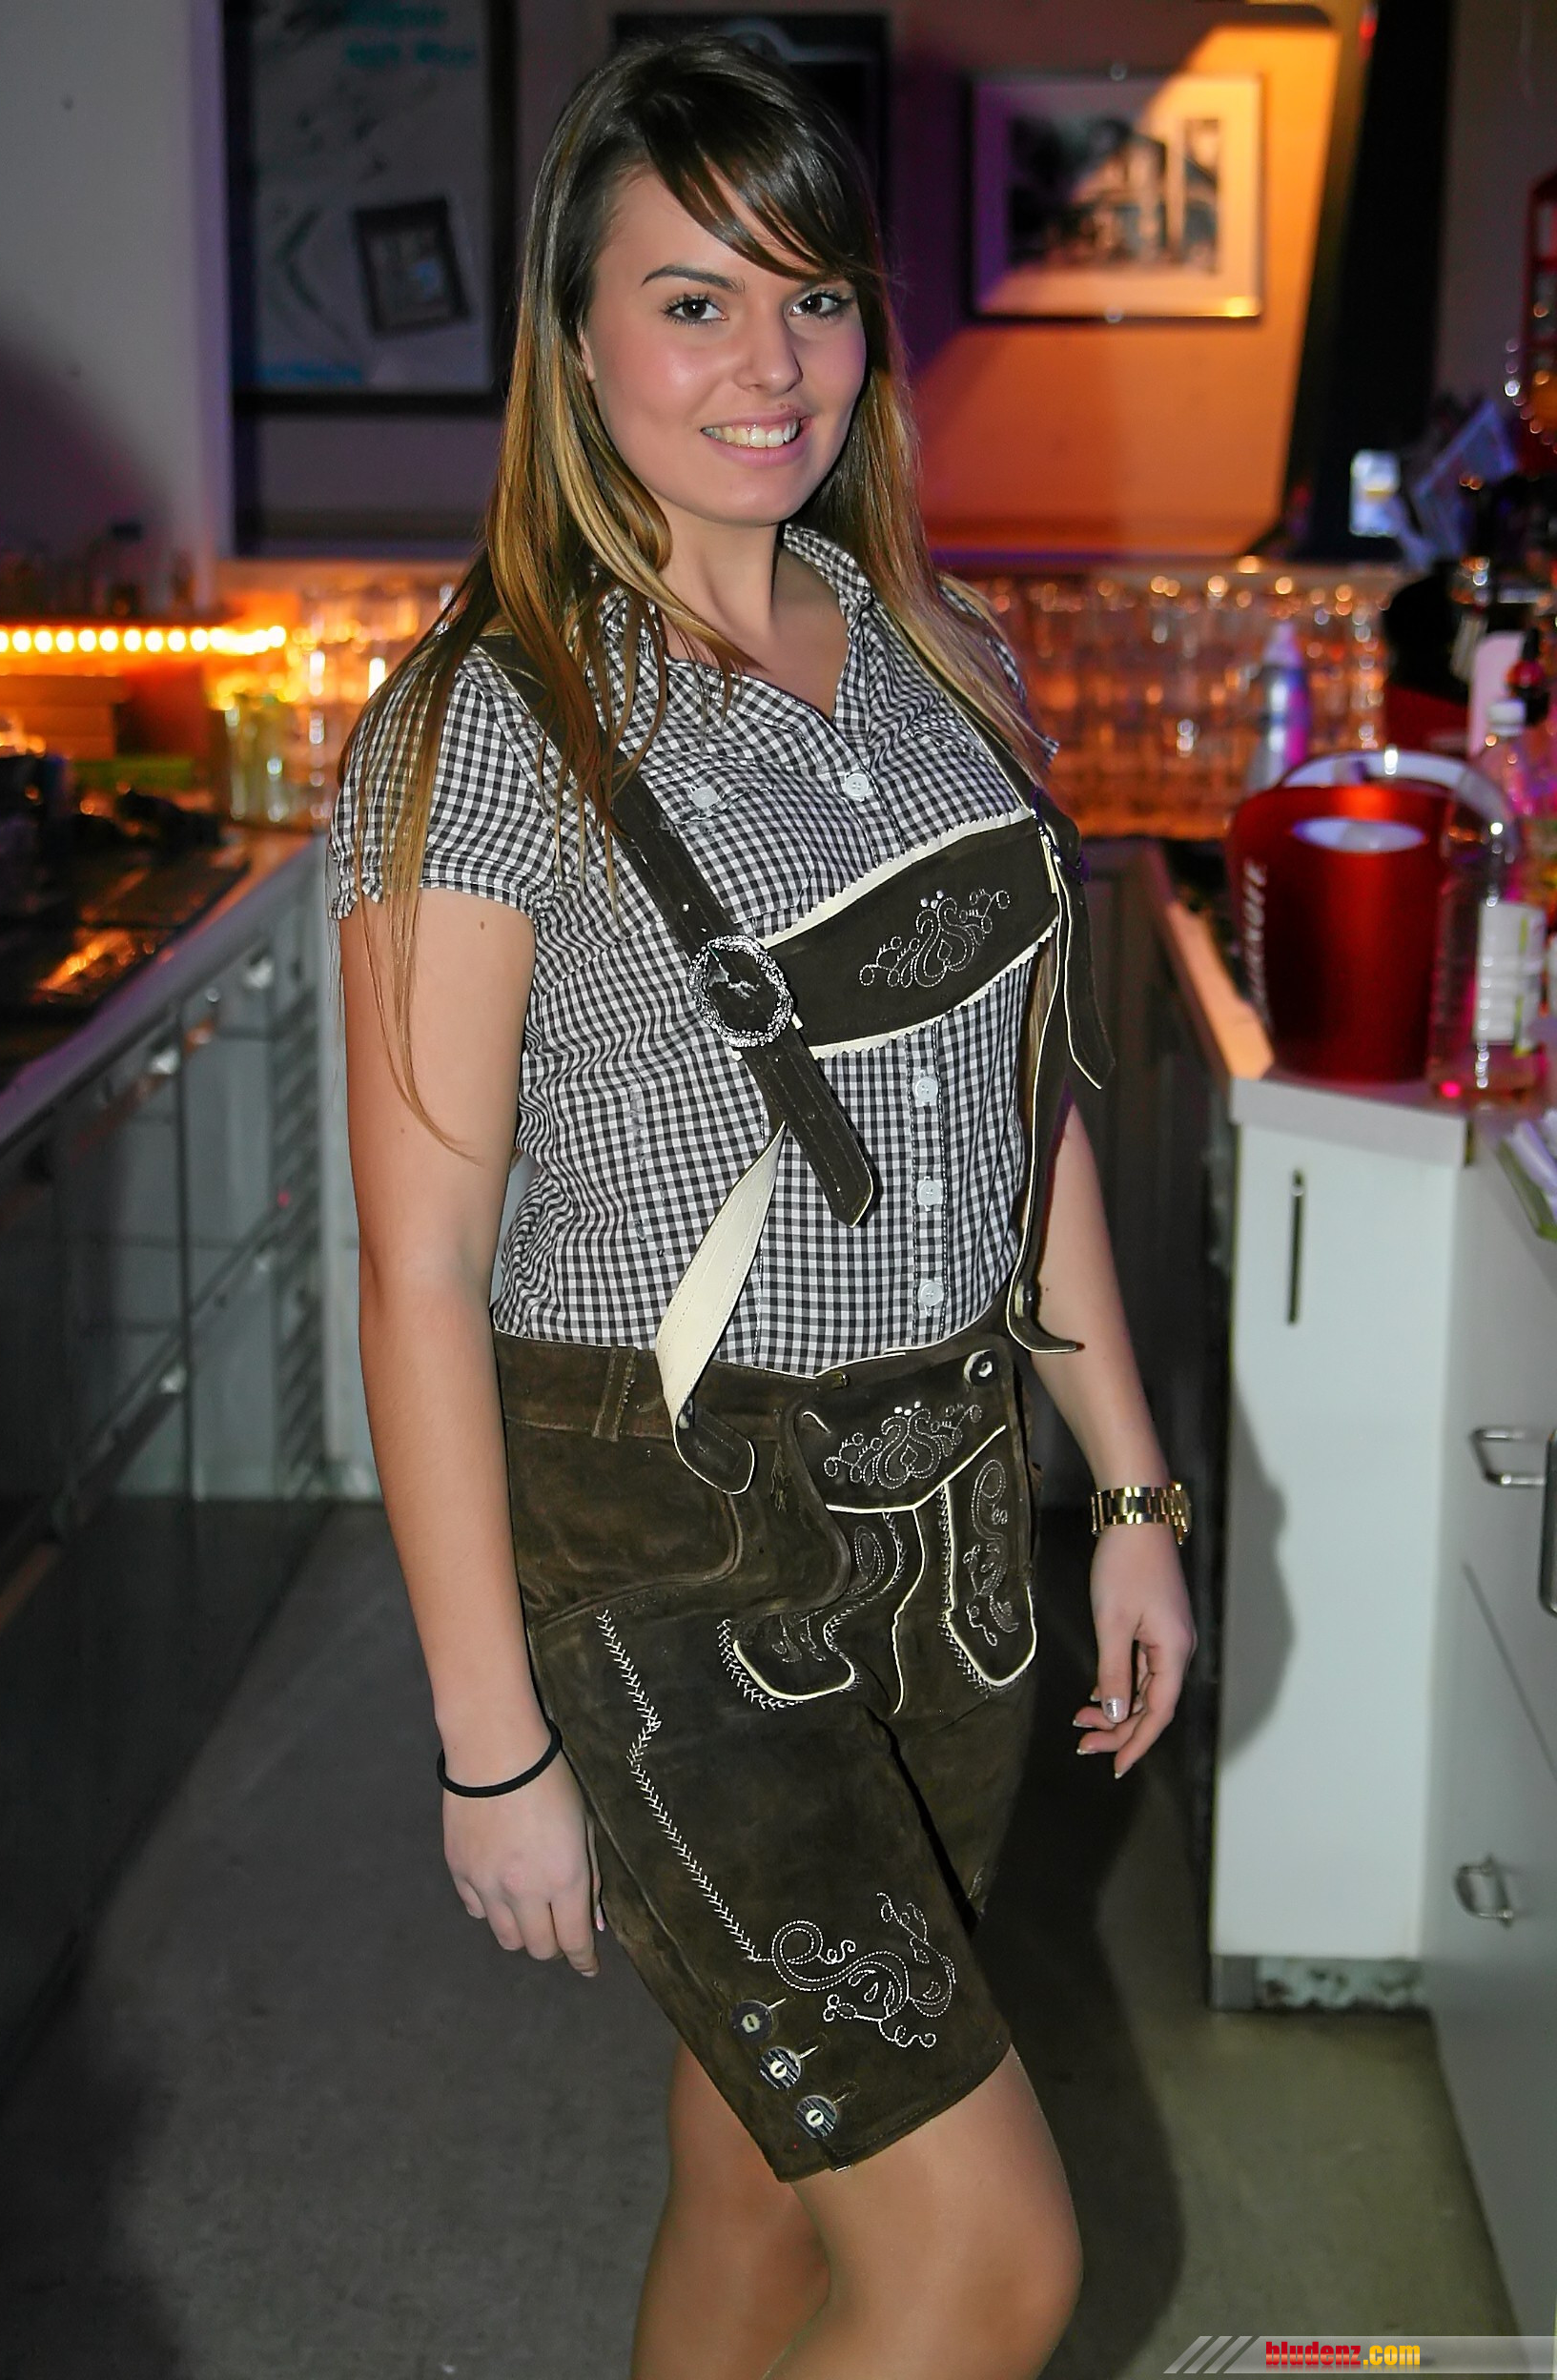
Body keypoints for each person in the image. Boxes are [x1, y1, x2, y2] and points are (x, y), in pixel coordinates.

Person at [333, 34, 1195, 2380]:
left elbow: (1021, 1119)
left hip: (946, 1545)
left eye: (813, 298)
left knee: (756, 2171)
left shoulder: (935, 658)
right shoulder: (483, 727)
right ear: (576, 334)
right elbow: (415, 1268)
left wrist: (1129, 1495)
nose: (771, 364)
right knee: (986, 2265)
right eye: (694, 300)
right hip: (669, 1559)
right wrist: (488, 1741)